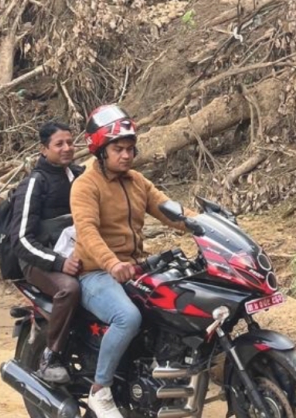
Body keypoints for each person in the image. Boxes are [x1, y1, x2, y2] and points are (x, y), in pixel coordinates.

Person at [70, 104, 185, 418]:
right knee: (127, 318)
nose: (125, 155)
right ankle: (100, 391)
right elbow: (88, 232)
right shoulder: (85, 185)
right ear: (101, 151)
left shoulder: (136, 181)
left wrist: (206, 226)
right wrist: (110, 263)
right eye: (118, 149)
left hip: (136, 267)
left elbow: (169, 210)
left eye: (130, 149)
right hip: (96, 273)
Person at [10, 119, 84, 385]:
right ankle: (50, 357)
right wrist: (57, 262)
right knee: (70, 289)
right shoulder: (34, 183)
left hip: (74, 253)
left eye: (70, 142)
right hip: (38, 260)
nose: (66, 148)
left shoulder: (78, 176)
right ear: (44, 149)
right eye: (59, 144)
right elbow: (20, 240)